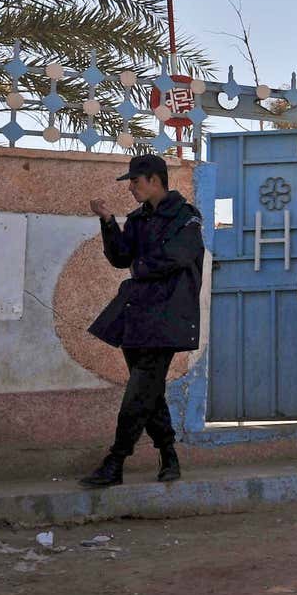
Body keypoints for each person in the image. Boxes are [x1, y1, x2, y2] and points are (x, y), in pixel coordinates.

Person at [81, 154, 205, 488]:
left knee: (139, 390)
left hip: (167, 316)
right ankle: (169, 455)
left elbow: (179, 255)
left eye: (135, 181)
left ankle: (116, 460)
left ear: (154, 179)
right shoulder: (137, 219)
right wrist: (108, 221)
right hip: (137, 314)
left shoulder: (186, 217)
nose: (132, 188)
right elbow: (121, 257)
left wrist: (142, 267)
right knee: (148, 390)